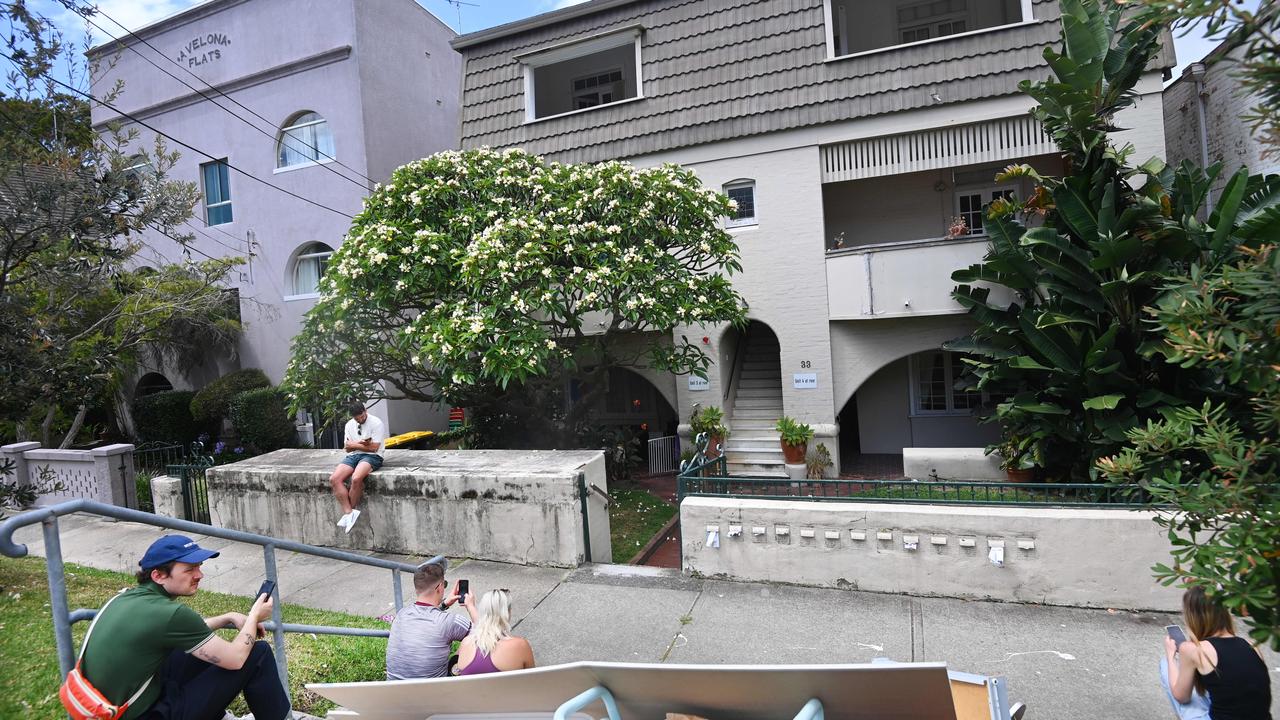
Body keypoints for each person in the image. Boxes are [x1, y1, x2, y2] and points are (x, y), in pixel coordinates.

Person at [77, 535, 289, 720]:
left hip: (106, 709)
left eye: (199, 567)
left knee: (187, 649)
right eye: (189, 569)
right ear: (158, 575)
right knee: (257, 654)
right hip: (145, 714)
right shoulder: (171, 614)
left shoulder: (125, 599)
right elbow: (235, 659)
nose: (199, 575)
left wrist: (227, 617)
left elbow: (185, 631)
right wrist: (254, 616)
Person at [1160, 586, 1272, 720]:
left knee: (1166, 666)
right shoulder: (1251, 645)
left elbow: (1181, 697)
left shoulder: (1192, 649)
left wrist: (1170, 656)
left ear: (1193, 617)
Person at [385, 560, 476, 680]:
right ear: (440, 587)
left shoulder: (401, 614)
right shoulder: (449, 621)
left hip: (394, 692)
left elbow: (427, 616)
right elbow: (484, 632)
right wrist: (471, 606)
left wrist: (443, 605)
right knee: (473, 640)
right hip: (434, 694)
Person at [329, 401, 387, 533]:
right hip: (354, 455)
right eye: (357, 418)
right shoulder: (349, 425)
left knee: (356, 478)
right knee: (334, 479)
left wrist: (354, 444)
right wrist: (360, 445)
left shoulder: (376, 422)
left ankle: (349, 515)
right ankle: (349, 513)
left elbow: (374, 448)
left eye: (362, 416)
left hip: (373, 456)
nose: (360, 419)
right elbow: (347, 449)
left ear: (365, 410)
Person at [454, 589, 535, 676]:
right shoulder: (520, 645)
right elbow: (533, 680)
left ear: (482, 611)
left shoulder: (466, 643)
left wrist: (470, 606)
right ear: (507, 613)